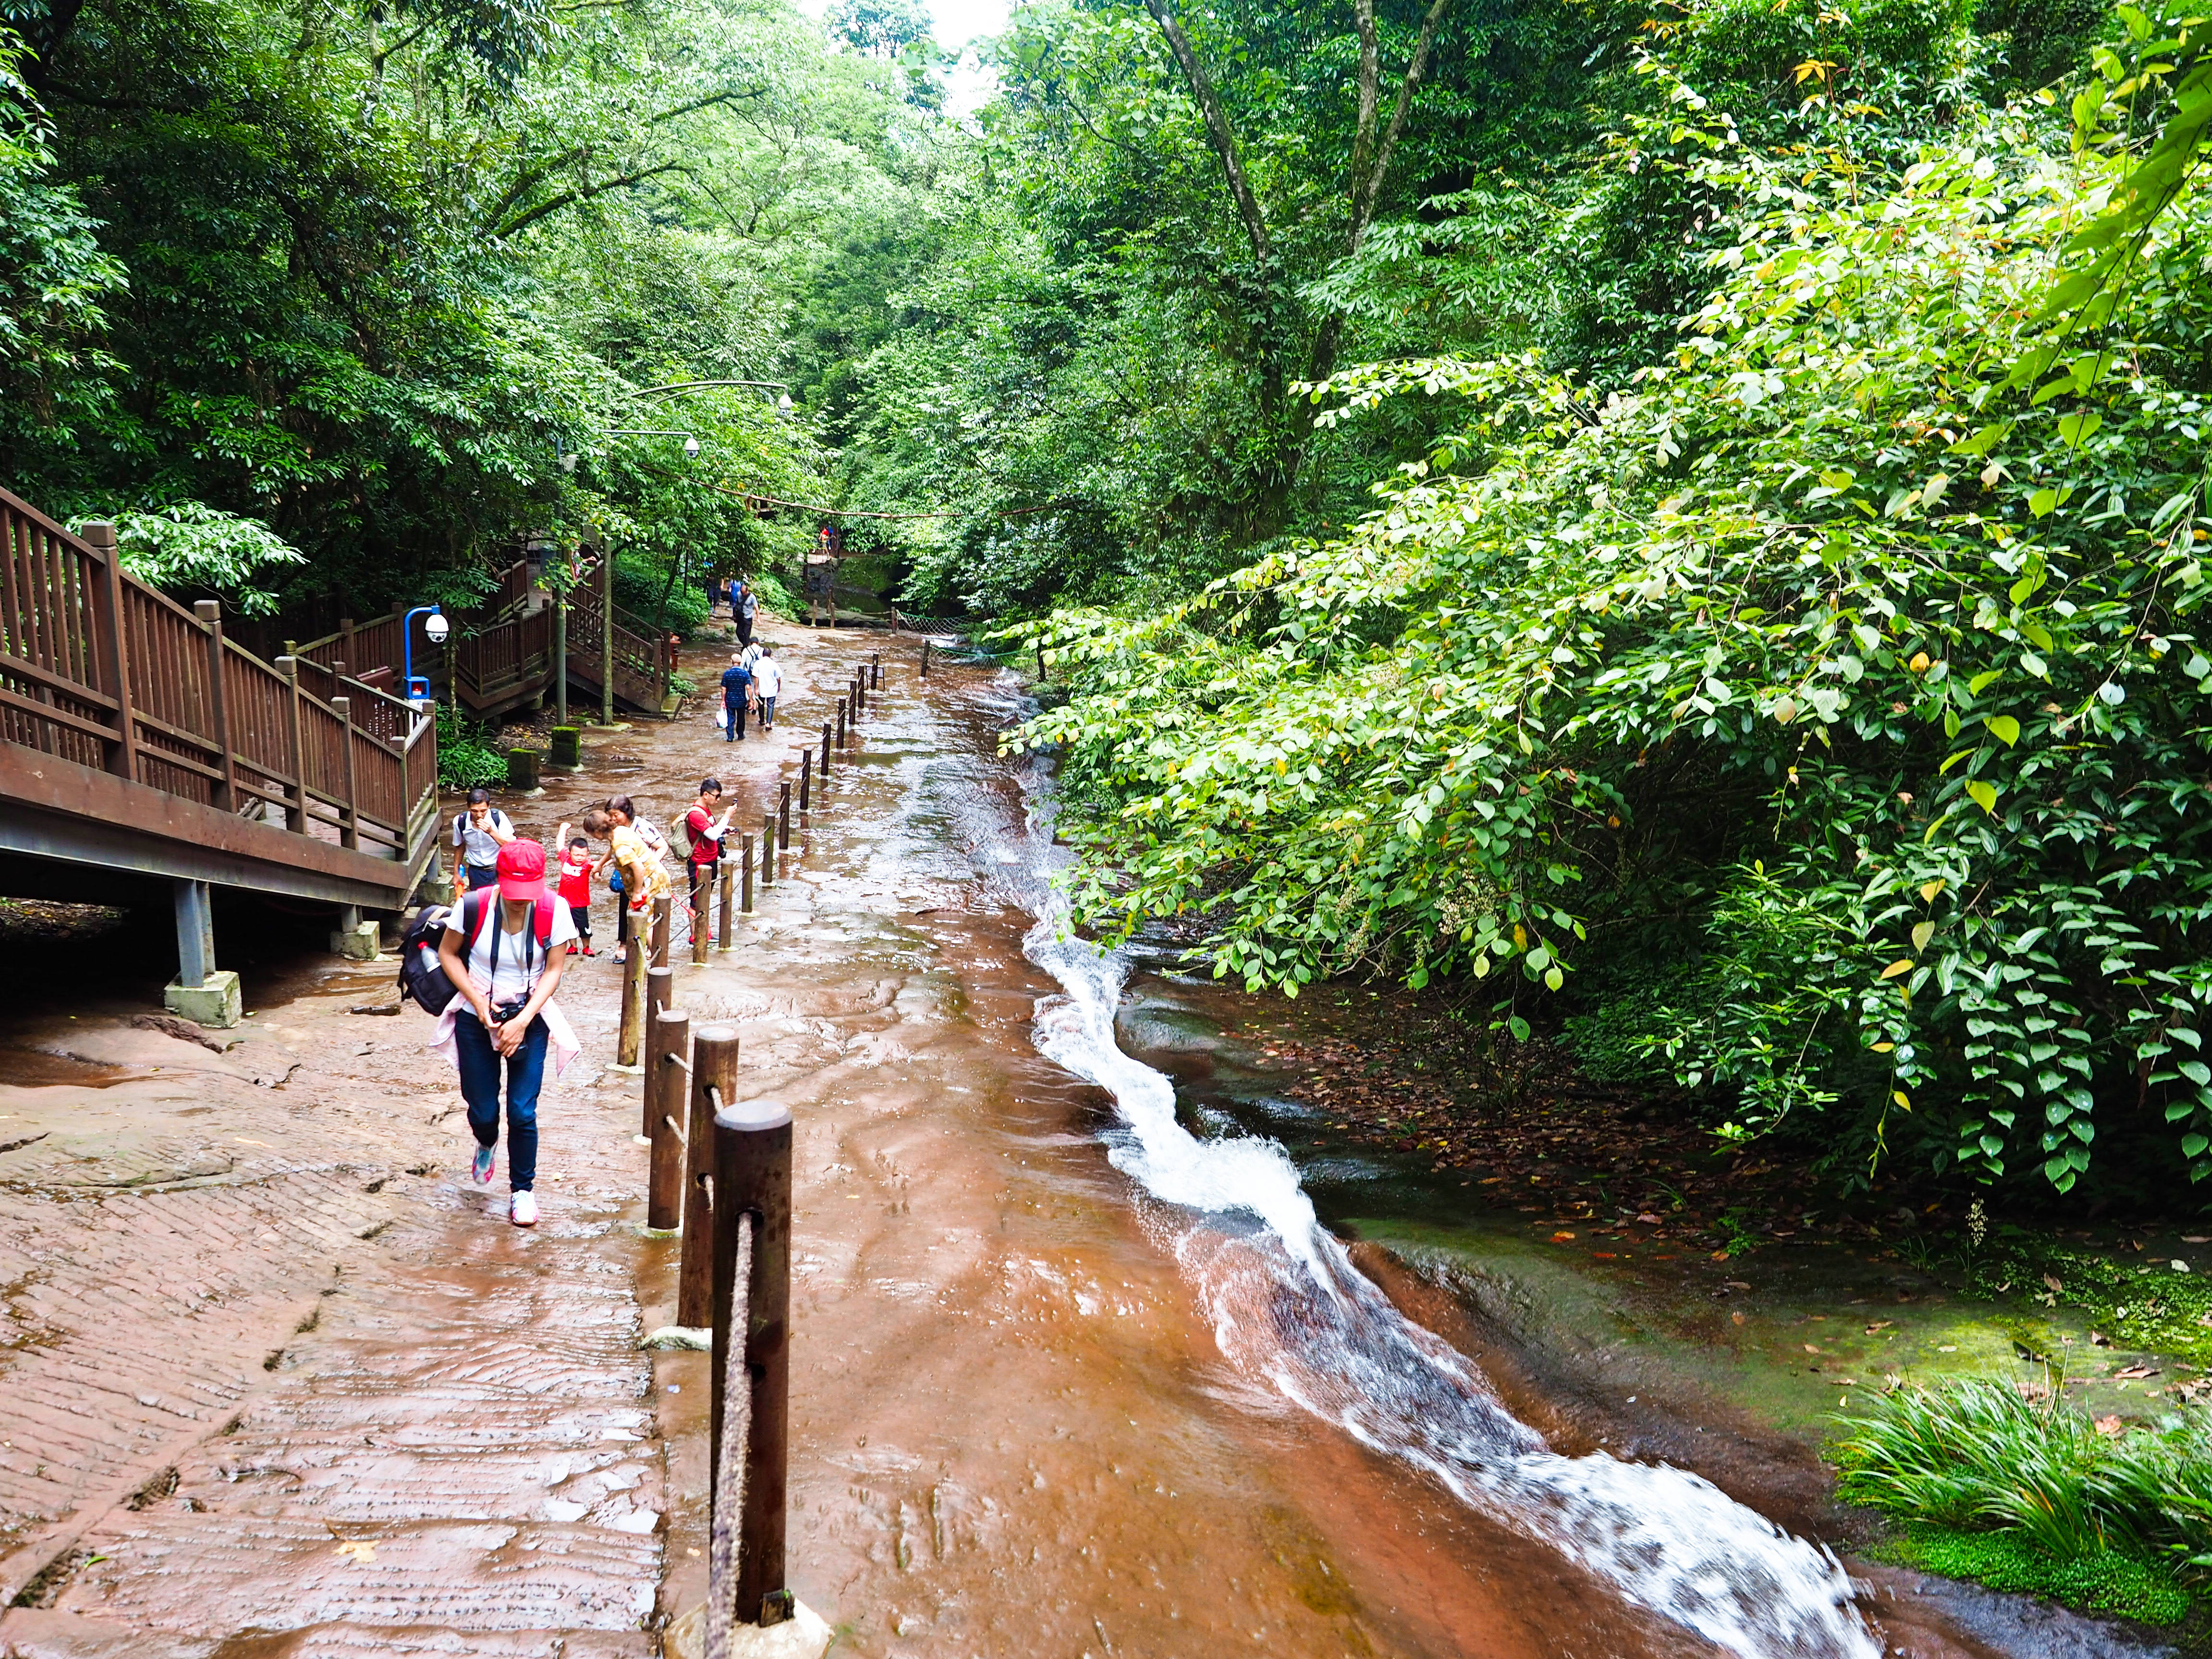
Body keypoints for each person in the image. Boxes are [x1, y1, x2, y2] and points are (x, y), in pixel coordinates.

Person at [433, 839, 579, 1228]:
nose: (519, 901)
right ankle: (486, 1142)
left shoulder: (555, 909)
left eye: (527, 894)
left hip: (528, 1015)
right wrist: (478, 1004)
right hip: (475, 1015)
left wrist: (524, 1019)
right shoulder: (472, 905)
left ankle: (523, 1192)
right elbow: (448, 954)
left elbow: (554, 970)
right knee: (482, 1109)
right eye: (513, 893)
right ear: (498, 880)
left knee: (522, 1110)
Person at [604, 794, 672, 962]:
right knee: (627, 911)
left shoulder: (642, 827)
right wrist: (600, 864)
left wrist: (650, 866)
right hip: (628, 877)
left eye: (616, 815)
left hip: (645, 877)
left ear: (627, 812)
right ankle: (627, 945)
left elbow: (663, 846)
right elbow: (612, 848)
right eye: (610, 815)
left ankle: (656, 956)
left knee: (642, 914)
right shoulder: (617, 829)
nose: (613, 819)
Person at [683, 778, 735, 938]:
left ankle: (704, 933)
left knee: (704, 898)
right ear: (706, 795)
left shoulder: (706, 811)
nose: (718, 800)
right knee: (697, 900)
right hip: (700, 863)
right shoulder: (696, 814)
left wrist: (725, 830)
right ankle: (696, 937)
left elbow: (711, 831)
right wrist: (727, 816)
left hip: (710, 860)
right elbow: (712, 835)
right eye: (716, 796)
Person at [450, 788, 515, 896]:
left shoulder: (498, 817)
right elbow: (459, 847)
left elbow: (511, 847)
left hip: (500, 870)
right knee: (480, 905)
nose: (479, 815)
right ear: (468, 807)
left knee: (501, 903)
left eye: (483, 811)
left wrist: (491, 832)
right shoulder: (460, 821)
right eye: (474, 811)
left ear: (489, 806)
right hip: (476, 872)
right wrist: (456, 873)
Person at [552, 826, 603, 957]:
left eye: (583, 855)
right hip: (564, 901)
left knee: (584, 927)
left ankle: (587, 947)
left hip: (580, 903)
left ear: (588, 854)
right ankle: (573, 947)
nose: (579, 858)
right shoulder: (565, 858)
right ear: (570, 853)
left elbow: (598, 868)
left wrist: (597, 875)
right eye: (576, 855)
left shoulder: (588, 864)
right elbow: (559, 844)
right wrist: (563, 829)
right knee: (568, 926)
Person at [719, 651, 752, 742]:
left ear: (731, 661)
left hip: (730, 699)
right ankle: (741, 735)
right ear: (741, 662)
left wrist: (723, 700)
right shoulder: (745, 674)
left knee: (731, 718)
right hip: (741, 700)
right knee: (741, 718)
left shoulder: (727, 673)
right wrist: (751, 700)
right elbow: (748, 688)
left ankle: (730, 737)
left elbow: (724, 689)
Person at [752, 644, 782, 734]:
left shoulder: (758, 663)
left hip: (762, 687)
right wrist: (779, 687)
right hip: (772, 688)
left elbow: (756, 677)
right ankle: (769, 724)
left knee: (761, 704)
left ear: (763, 655)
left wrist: (756, 688)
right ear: (770, 655)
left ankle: (762, 720)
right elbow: (779, 678)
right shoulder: (774, 664)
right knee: (771, 705)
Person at [734, 577, 758, 647]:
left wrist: (758, 618)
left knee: (746, 634)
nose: (742, 594)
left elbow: (756, 608)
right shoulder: (739, 594)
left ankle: (746, 647)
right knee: (738, 632)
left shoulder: (752, 597)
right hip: (740, 617)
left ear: (747, 591)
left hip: (748, 617)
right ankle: (746, 645)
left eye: (743, 593)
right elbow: (737, 605)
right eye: (741, 592)